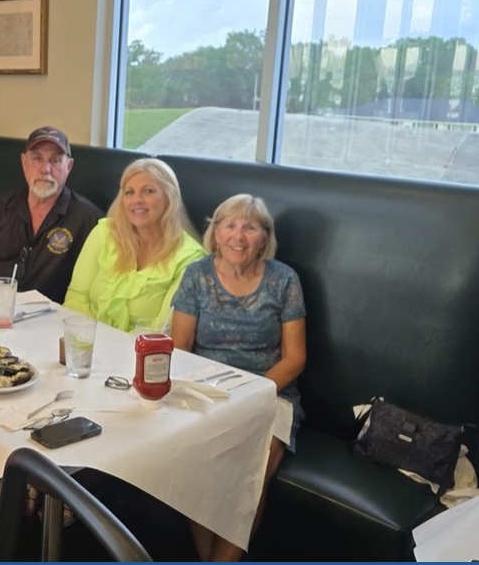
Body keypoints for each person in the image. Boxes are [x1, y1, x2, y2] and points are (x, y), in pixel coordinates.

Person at [170, 194, 307, 562]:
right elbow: (179, 348)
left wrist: (251, 392)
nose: (238, 235)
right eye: (229, 224)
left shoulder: (284, 280)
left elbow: (295, 358)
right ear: (215, 234)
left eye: (250, 226)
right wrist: (212, 391)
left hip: (269, 393)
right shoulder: (197, 275)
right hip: (205, 391)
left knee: (251, 475)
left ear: (265, 238)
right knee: (200, 470)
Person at [0, 126, 103, 303]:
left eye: (55, 160)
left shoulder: (89, 220)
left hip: (47, 320)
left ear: (69, 166)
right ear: (24, 162)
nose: (45, 169)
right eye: (37, 158)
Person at [63, 158, 206, 332]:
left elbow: (162, 328)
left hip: (141, 353)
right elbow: (76, 296)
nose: (137, 200)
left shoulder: (190, 258)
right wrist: (92, 339)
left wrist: (108, 345)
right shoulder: (103, 232)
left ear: (170, 197)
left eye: (148, 191)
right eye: (129, 192)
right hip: (85, 342)